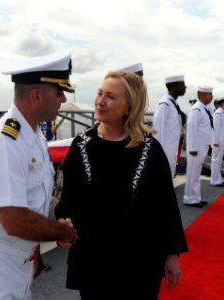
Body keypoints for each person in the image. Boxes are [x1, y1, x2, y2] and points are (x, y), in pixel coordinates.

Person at [0, 52, 78, 300]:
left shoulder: (33, 136)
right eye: (59, 92)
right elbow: (15, 220)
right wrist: (61, 232)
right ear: (36, 96)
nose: (63, 99)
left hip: (16, 259)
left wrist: (35, 250)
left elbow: (31, 202)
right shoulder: (5, 142)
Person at [55, 70, 188, 299]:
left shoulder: (150, 149)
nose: (100, 101)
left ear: (130, 107)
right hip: (93, 260)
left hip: (140, 261)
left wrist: (172, 254)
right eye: (99, 94)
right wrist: (62, 226)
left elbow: (165, 206)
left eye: (111, 96)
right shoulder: (81, 146)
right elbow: (70, 199)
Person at [183, 85, 214, 207]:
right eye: (209, 94)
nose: (211, 97)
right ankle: (190, 198)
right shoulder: (196, 110)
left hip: (202, 145)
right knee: (193, 174)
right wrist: (193, 148)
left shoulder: (203, 109)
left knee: (196, 174)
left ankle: (195, 197)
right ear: (202, 95)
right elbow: (191, 129)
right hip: (197, 147)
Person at [153, 75, 187, 178]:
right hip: (164, 153)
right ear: (173, 86)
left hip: (171, 152)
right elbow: (157, 132)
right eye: (182, 84)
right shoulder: (165, 104)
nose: (185, 87)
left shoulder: (173, 104)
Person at [210, 95, 224, 187]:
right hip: (218, 141)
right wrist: (215, 142)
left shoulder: (223, 113)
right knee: (216, 161)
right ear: (223, 103)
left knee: (218, 161)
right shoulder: (218, 113)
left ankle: (218, 179)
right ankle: (214, 180)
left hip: (222, 140)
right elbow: (216, 128)